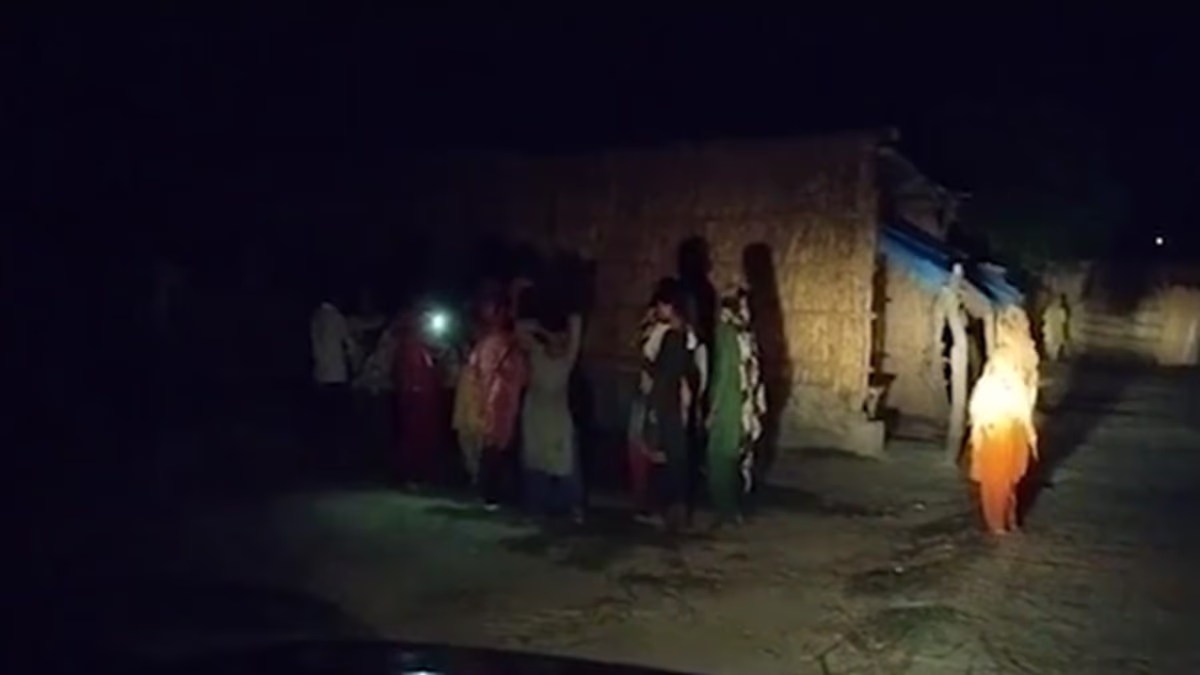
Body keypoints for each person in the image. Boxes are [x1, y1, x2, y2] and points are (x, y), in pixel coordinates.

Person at [453, 283, 528, 510]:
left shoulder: (502, 342)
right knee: (491, 446)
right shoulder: (491, 341)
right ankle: (490, 490)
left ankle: (493, 492)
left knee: (495, 446)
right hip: (491, 399)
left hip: (498, 399)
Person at [705, 287, 767, 526]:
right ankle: (738, 506)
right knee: (739, 456)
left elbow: (722, 374)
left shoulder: (726, 333)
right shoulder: (747, 334)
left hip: (729, 405)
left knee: (719, 458)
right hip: (745, 405)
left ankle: (726, 509)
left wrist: (712, 409)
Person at [517, 310, 584, 522]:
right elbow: (519, 330)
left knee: (564, 463)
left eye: (562, 338)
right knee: (535, 462)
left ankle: (573, 506)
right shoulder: (536, 352)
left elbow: (576, 326)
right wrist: (543, 331)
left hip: (557, 419)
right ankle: (536, 507)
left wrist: (571, 319)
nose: (558, 341)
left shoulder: (566, 359)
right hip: (535, 416)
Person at [967, 344, 1038, 535]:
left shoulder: (1016, 384)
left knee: (1010, 482)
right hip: (993, 438)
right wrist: (979, 434)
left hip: (1012, 437)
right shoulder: (987, 385)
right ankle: (996, 522)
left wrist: (1031, 437)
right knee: (994, 482)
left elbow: (1024, 413)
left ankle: (1009, 518)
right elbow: (977, 412)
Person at [641, 282, 693, 534]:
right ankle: (676, 512)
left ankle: (665, 512)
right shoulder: (684, 335)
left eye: (661, 305)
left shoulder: (672, 337)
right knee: (675, 459)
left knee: (665, 458)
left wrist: (653, 406)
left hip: (666, 403)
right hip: (674, 402)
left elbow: (663, 375)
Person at [391, 304, 445, 487]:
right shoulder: (410, 344)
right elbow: (406, 372)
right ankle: (411, 474)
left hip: (426, 397)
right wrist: (414, 388)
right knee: (413, 435)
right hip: (415, 397)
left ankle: (423, 473)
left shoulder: (425, 346)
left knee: (425, 436)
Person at [310, 294, 361, 472]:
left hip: (321, 374)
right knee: (339, 421)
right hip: (337, 374)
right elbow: (348, 343)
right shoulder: (336, 317)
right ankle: (340, 461)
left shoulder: (316, 317)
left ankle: (324, 460)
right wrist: (356, 363)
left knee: (325, 421)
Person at [1041, 295, 1069, 362]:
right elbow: (1064, 321)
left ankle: (1054, 357)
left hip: (1053, 331)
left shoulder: (1054, 310)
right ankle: (1054, 357)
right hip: (1053, 331)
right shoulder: (1059, 310)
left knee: (1055, 344)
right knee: (1054, 344)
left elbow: (1044, 319)